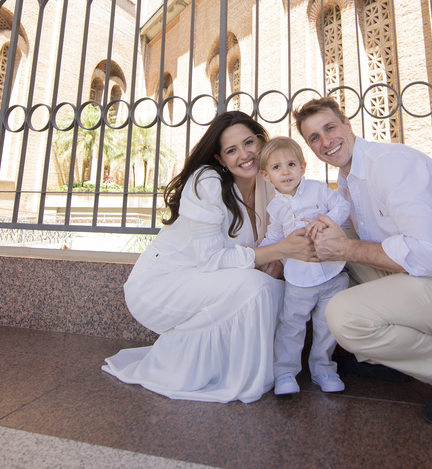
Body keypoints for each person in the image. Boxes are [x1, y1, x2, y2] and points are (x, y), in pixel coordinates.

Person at [294, 97, 432, 427]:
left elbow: (430, 257)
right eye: (314, 138)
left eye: (330, 128)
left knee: (343, 314)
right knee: (332, 275)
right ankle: (383, 358)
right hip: (427, 284)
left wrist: (346, 249)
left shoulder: (390, 164)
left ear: (348, 125)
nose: (325, 141)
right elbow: (349, 245)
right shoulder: (348, 182)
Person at [102, 111, 316, 403]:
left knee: (276, 288)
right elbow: (213, 260)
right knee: (256, 287)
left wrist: (277, 258)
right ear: (220, 159)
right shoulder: (207, 181)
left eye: (249, 143)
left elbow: (286, 231)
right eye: (231, 150)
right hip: (162, 285)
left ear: (261, 142)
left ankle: (223, 367)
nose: (244, 155)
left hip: (206, 280)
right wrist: (280, 251)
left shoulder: (271, 182)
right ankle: (201, 372)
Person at [256, 136, 352, 396]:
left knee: (326, 326)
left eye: (290, 164)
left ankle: (323, 369)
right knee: (291, 325)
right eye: (276, 168)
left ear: (302, 167)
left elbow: (342, 205)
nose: (285, 172)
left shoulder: (318, 190)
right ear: (266, 176)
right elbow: (274, 236)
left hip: (332, 272)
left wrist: (327, 222)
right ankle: (285, 372)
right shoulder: (275, 208)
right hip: (298, 280)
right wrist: (259, 254)